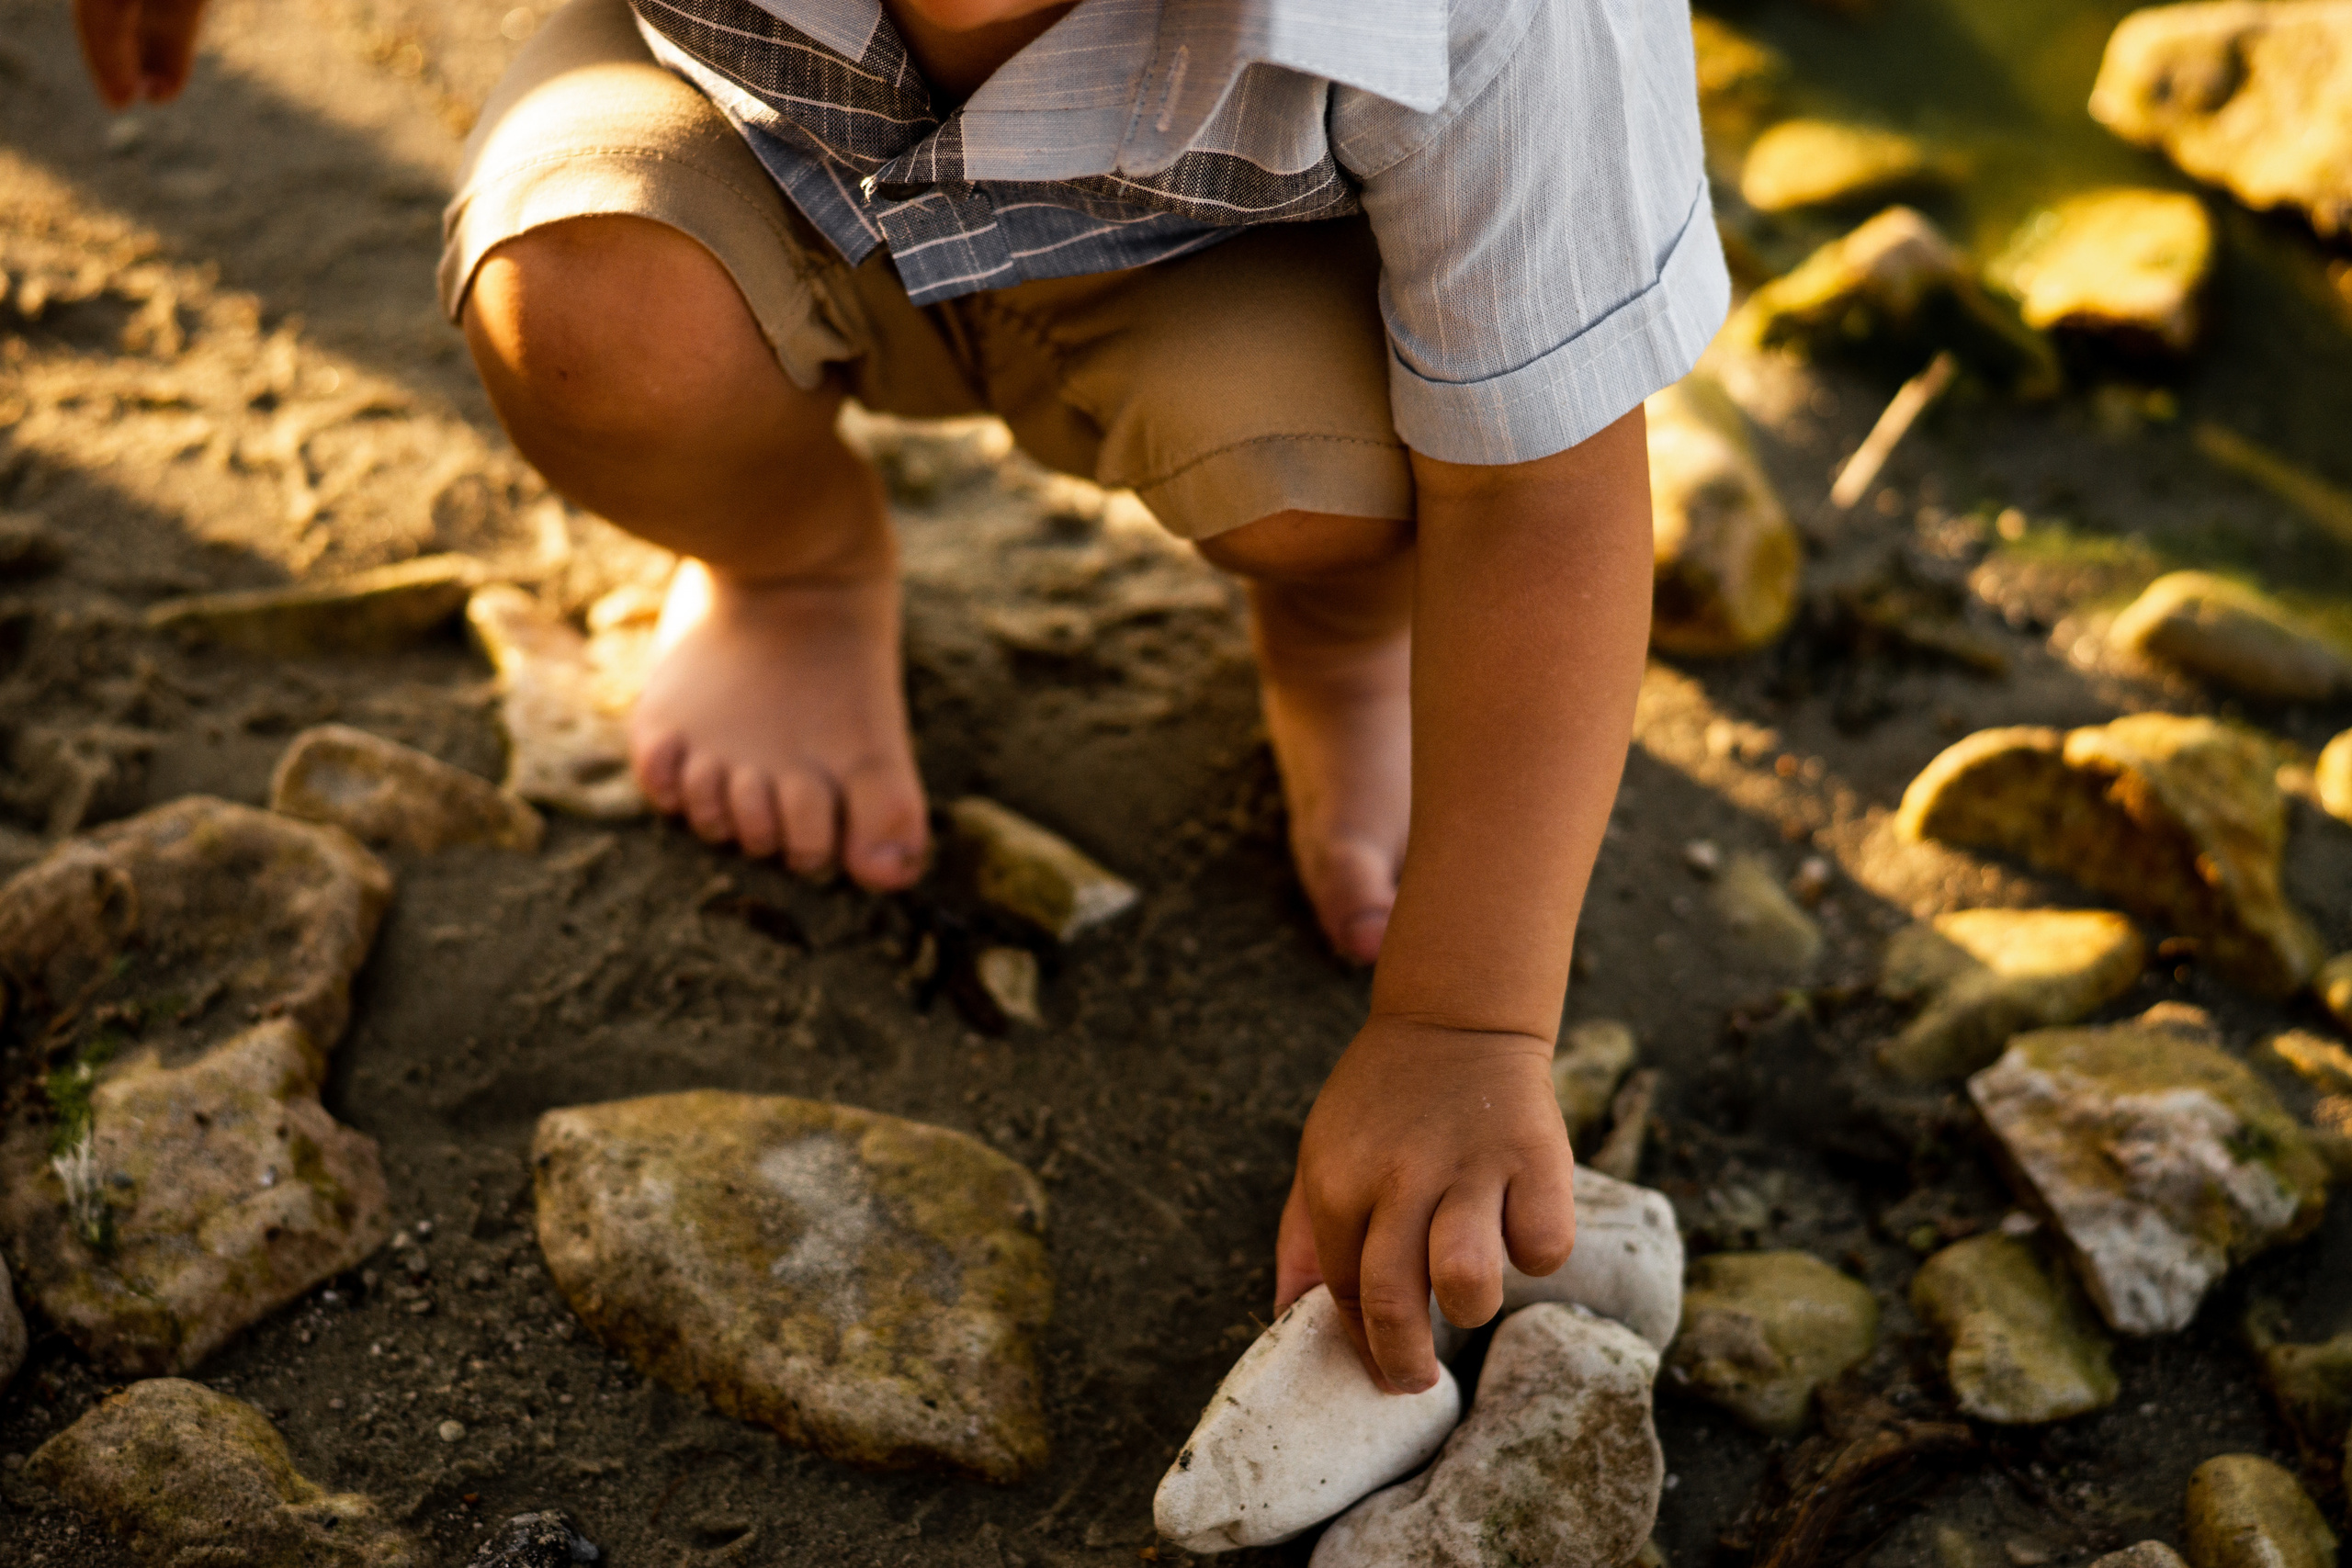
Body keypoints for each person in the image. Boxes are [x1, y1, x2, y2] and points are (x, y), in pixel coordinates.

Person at [74, 0, 1725, 1396]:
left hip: (1233, 273)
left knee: (1373, 488)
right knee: (585, 301)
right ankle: (788, 566)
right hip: (752, 145)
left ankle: (1347, 626)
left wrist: (1463, 1019)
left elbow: (1545, 497)